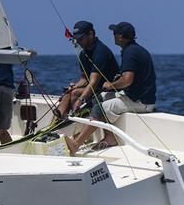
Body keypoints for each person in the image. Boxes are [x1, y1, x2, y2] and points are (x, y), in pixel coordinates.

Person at [66, 22, 157, 154]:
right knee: (99, 98)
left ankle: (76, 144)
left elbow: (127, 80)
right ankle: (109, 137)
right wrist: (118, 78)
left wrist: (111, 85)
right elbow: (130, 76)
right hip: (136, 97)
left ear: (120, 37)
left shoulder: (130, 53)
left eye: (115, 33)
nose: (113, 36)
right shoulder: (134, 49)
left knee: (99, 108)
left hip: (140, 102)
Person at [55, 21, 120, 119]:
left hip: (109, 91)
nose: (78, 42)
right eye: (76, 39)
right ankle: (57, 120)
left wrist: (80, 100)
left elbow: (93, 83)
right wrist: (74, 86)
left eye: (81, 39)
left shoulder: (100, 52)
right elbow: (84, 79)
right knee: (69, 92)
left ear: (91, 34)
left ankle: (76, 120)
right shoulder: (83, 54)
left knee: (76, 94)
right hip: (96, 89)